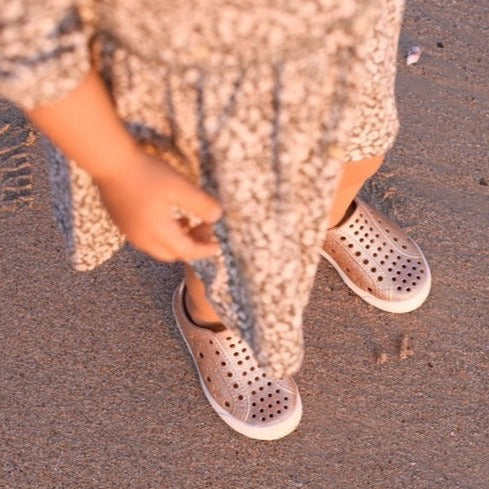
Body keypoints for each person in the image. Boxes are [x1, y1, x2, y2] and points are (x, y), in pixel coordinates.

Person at [0, 0, 431, 440]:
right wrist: (118, 166)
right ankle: (212, 315)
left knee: (357, 150)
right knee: (217, 227)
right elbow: (27, 31)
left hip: (331, 31)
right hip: (194, 68)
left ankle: (327, 216)